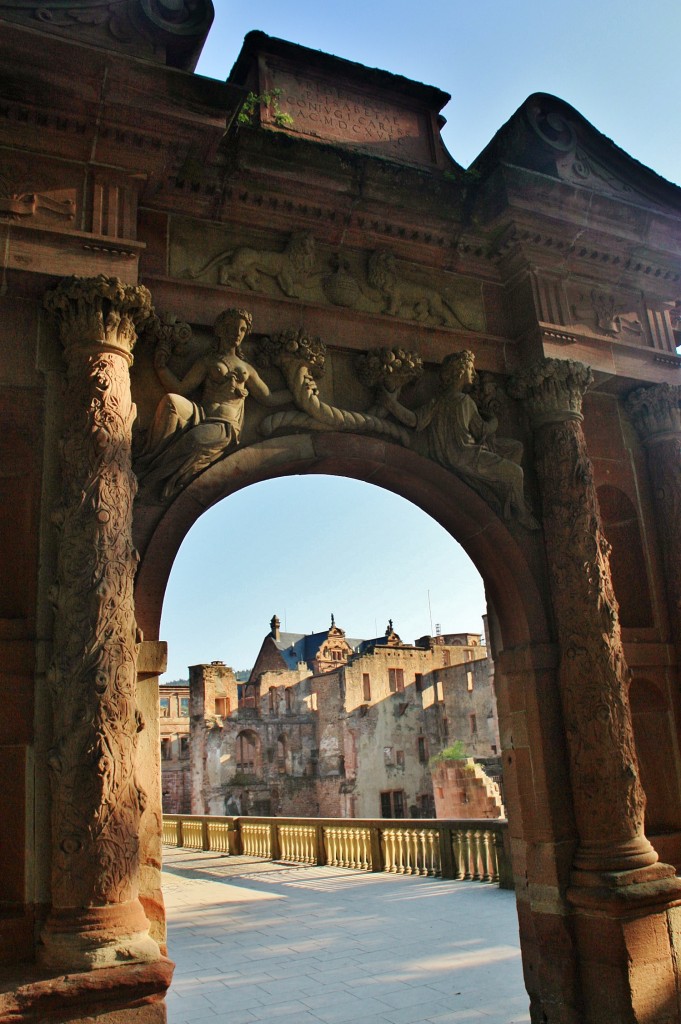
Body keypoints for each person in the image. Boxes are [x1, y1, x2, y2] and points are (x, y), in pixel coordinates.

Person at [137, 308, 289, 499]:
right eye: (233, 328)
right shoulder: (208, 361)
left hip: (224, 425)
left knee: (194, 440)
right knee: (170, 402)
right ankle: (149, 457)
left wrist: (296, 394)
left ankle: (149, 480)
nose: (237, 333)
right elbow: (181, 388)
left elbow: (268, 398)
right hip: (200, 414)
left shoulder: (246, 369)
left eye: (242, 330)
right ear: (220, 330)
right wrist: (161, 367)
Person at [381, 350, 539, 529]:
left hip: (453, 456)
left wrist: (391, 404)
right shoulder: (466, 401)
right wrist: (494, 419)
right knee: (516, 471)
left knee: (515, 448)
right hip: (469, 455)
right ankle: (522, 514)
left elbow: (414, 420)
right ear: (462, 371)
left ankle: (506, 493)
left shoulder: (438, 401)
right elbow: (482, 430)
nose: (473, 374)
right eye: (471, 369)